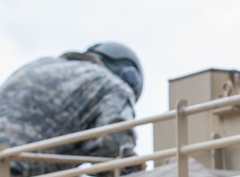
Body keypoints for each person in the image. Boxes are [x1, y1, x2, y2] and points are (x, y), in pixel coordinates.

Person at [0, 42, 144, 177]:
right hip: (13, 168)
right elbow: (111, 145)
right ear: (128, 75)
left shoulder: (40, 64)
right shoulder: (113, 86)